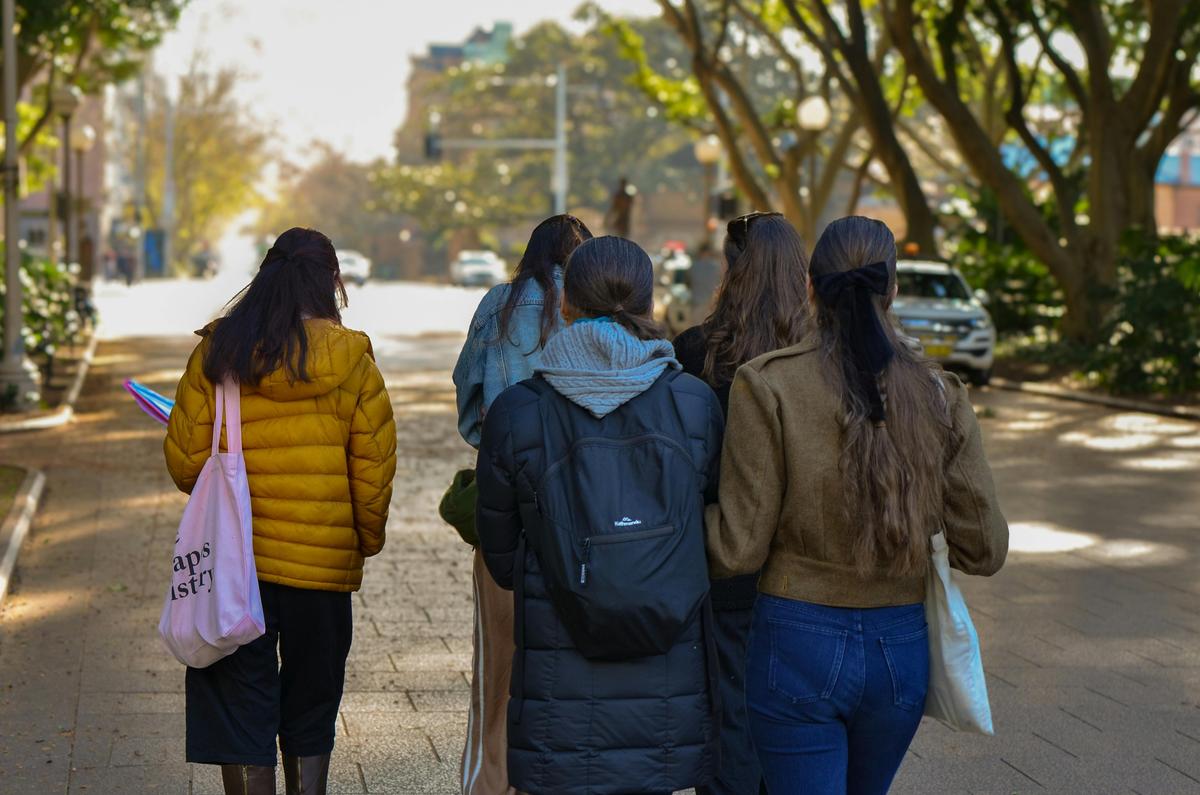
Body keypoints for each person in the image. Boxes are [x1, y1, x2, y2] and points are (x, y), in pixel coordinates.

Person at [706, 216, 1009, 795]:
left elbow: (738, 550)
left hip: (796, 639)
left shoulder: (767, 384)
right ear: (891, 289)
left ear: (811, 289)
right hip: (900, 647)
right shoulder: (939, 393)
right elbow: (985, 549)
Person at [475, 236, 723, 795]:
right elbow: (707, 515)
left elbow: (500, 550)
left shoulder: (519, 410)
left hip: (558, 659)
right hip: (667, 669)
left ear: (566, 304)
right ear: (649, 303)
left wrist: (563, 574)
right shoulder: (694, 403)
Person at [164, 227, 397, 795]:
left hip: (235, 571)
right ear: (332, 283)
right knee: (312, 708)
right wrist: (358, 542)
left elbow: (185, 465)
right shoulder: (355, 365)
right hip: (321, 571)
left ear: (264, 278)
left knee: (242, 709)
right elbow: (373, 473)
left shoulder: (218, 356)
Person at [452, 213, 593, 795]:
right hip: (584, 514)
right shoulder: (595, 311)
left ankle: (492, 781)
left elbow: (467, 394)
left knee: (499, 672)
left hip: (505, 509)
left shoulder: (498, 304)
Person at [672, 211, 810, 795]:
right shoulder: (816, 355)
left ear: (730, 269)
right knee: (797, 720)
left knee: (728, 714)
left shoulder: (696, 352)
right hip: (805, 570)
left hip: (723, 565)